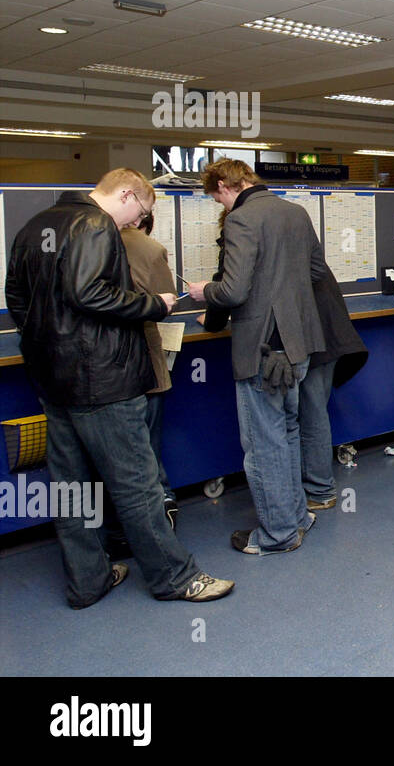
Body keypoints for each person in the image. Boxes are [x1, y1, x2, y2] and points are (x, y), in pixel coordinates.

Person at [5, 168, 232, 606]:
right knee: (137, 484)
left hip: (54, 379)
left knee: (72, 486)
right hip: (103, 377)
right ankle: (175, 579)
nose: (134, 223)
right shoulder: (94, 224)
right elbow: (88, 293)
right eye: (140, 212)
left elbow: (18, 298)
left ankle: (88, 580)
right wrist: (154, 304)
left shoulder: (36, 225)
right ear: (126, 194)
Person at [188, 159, 327, 553]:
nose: (220, 206)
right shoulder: (296, 212)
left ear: (223, 186)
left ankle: (278, 534)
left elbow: (231, 292)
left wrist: (204, 292)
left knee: (263, 444)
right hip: (297, 345)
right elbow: (317, 272)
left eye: (217, 198)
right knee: (287, 432)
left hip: (263, 350)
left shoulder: (242, 219)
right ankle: (298, 517)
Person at [119, 207, 181, 529]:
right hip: (143, 356)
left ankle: (125, 527)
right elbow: (165, 306)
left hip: (105, 371)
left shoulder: (86, 243)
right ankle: (161, 511)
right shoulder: (150, 249)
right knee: (148, 447)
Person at [299, 268, 369, 511]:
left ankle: (319, 491)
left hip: (310, 339)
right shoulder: (302, 240)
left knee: (312, 416)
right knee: (315, 413)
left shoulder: (258, 240)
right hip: (327, 335)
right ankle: (317, 487)